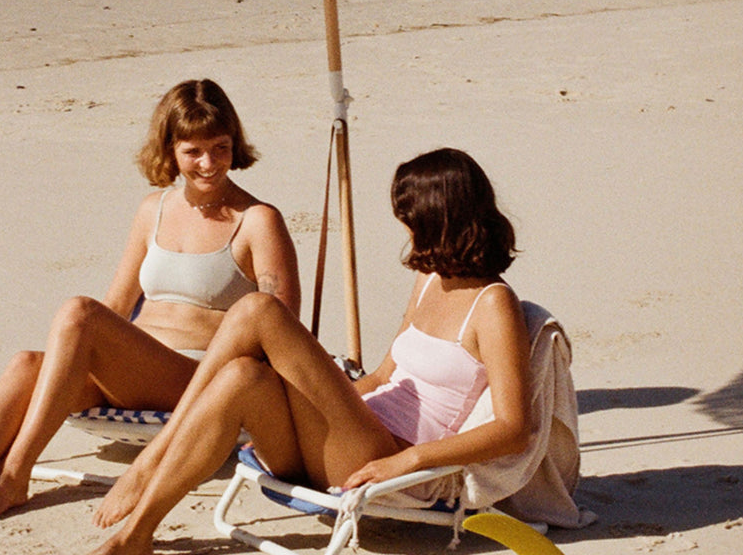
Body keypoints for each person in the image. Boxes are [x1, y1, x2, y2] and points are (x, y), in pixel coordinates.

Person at [0, 79, 300, 525]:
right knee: (28, 363)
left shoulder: (259, 220)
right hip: (135, 374)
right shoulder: (153, 210)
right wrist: (79, 361)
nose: (209, 163)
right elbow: (118, 304)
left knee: (78, 312)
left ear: (234, 144)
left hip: (197, 378)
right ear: (169, 149)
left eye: (220, 148)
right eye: (193, 151)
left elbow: (281, 327)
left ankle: (14, 474)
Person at [90, 147, 532, 555]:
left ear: (439, 216)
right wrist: (310, 395)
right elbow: (381, 378)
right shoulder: (431, 278)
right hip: (347, 437)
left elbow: (514, 428)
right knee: (243, 376)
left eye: (410, 216)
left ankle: (152, 459)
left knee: (260, 309)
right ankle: (136, 536)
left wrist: (408, 460)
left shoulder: (493, 304)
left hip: (386, 456)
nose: (404, 227)